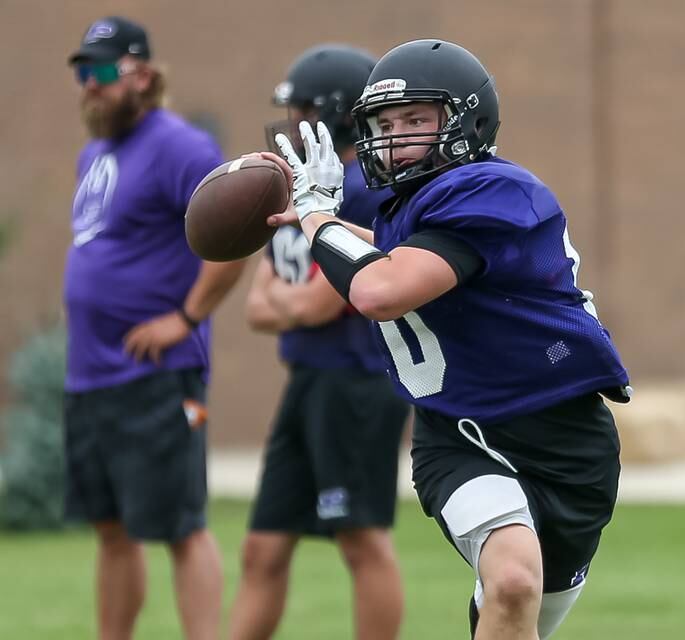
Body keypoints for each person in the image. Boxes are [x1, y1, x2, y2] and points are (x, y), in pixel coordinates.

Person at [264, 39, 632, 640]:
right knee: (513, 581)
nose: (396, 135)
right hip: (459, 433)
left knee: (515, 611)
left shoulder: (492, 189)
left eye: (416, 120)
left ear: (465, 122)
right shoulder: (410, 206)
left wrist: (316, 216)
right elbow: (394, 263)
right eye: (385, 123)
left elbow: (380, 289)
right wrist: (323, 218)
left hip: (564, 441)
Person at [64, 16, 245, 640]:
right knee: (112, 530)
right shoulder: (96, 152)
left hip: (161, 376)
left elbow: (235, 235)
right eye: (83, 74)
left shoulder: (181, 147)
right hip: (91, 377)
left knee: (181, 526)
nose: (89, 85)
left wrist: (186, 317)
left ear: (141, 74)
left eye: (102, 72)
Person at [227, 45, 409, 640]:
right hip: (307, 380)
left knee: (360, 540)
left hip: (356, 384)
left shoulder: (358, 191)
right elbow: (259, 308)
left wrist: (291, 304)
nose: (292, 120)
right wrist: (292, 305)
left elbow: (316, 301)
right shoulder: (296, 187)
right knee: (261, 548)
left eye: (303, 107)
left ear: (334, 112)